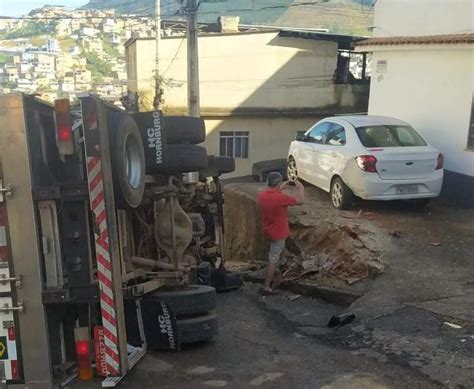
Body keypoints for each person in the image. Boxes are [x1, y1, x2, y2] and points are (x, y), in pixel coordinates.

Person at [257, 172, 304, 295]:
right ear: (277, 183)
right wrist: (300, 187)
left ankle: (280, 275)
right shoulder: (280, 198)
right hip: (279, 233)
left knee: (279, 253)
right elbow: (300, 201)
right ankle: (267, 286)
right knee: (273, 258)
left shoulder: (262, 195)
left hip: (268, 230)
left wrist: (282, 186)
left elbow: (274, 193)